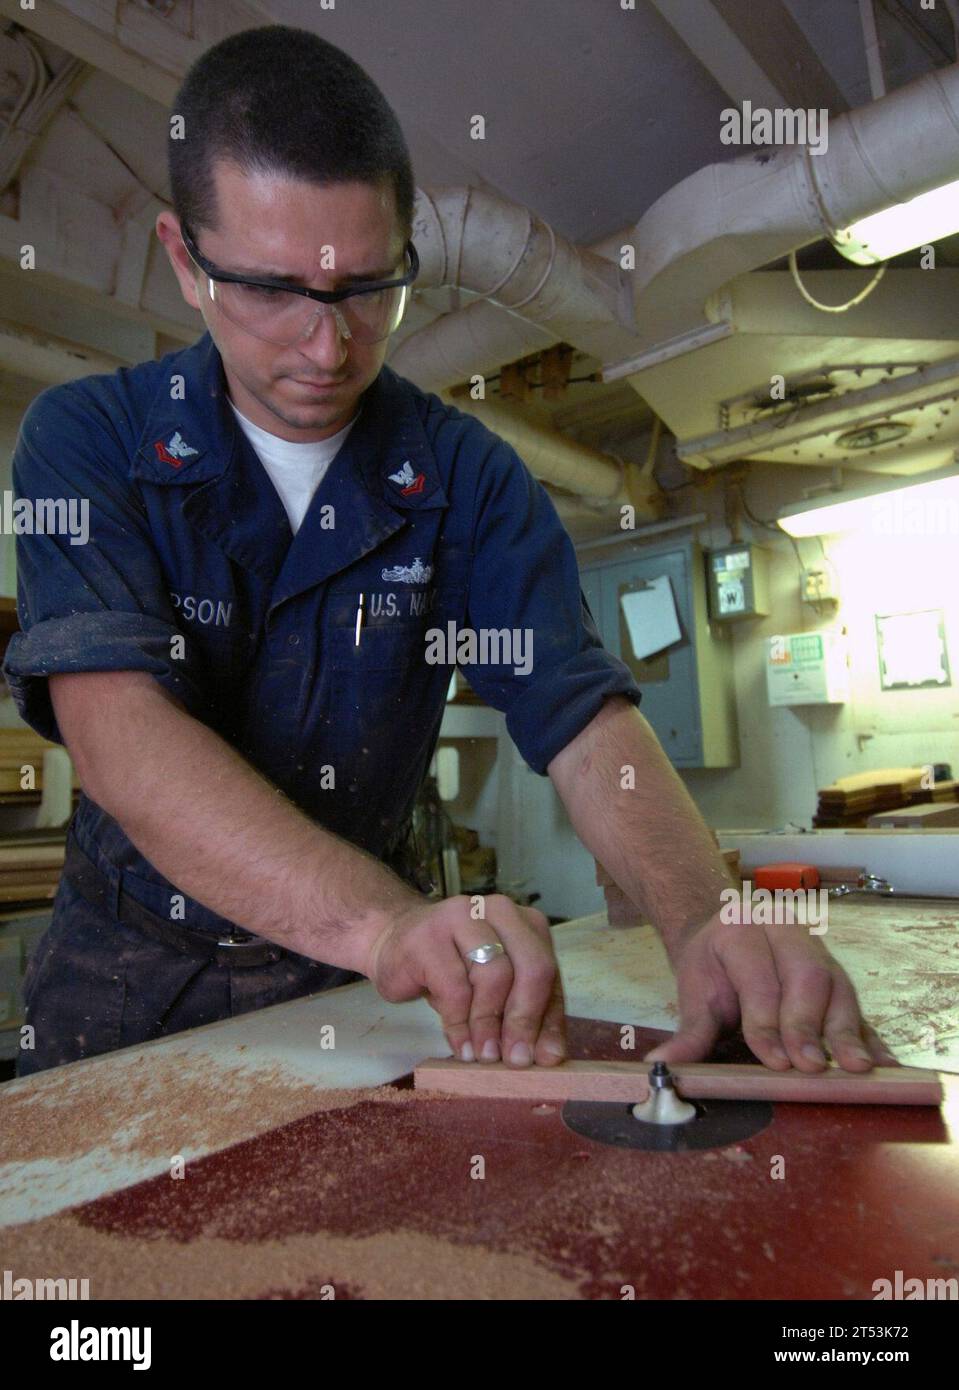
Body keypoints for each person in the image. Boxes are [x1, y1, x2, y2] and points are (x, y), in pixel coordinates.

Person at [5, 25, 893, 1081]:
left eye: (369, 287)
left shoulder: (467, 477)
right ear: (182, 260)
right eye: (274, 291)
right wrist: (388, 925)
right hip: (121, 991)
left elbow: (578, 720)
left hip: (352, 999)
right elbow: (123, 745)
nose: (328, 347)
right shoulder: (83, 440)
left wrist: (703, 919)